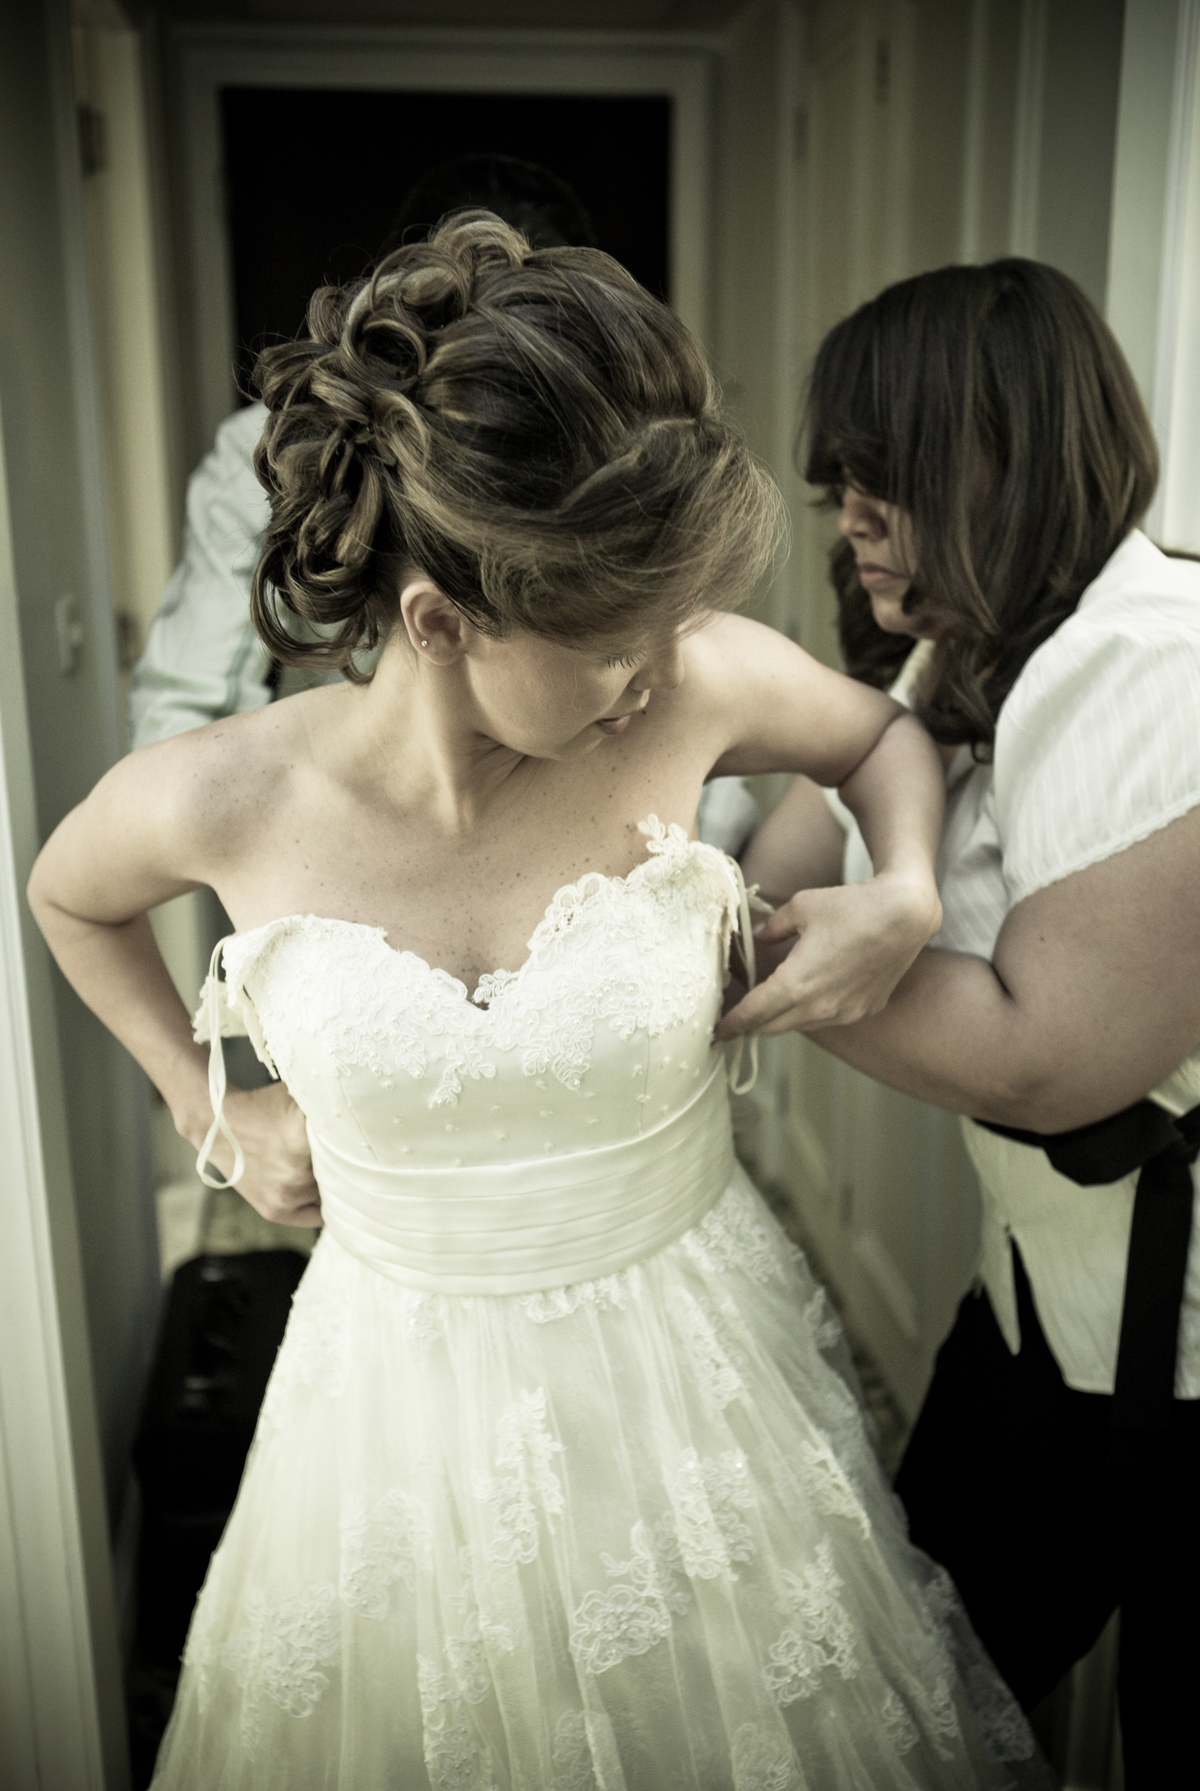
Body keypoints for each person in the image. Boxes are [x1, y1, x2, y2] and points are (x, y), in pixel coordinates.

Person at [29, 215, 1046, 1789]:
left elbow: (882, 741)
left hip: (703, 1389)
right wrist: (204, 1101)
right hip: (389, 1421)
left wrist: (905, 889)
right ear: (440, 623)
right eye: (611, 645)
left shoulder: (697, 678)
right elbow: (65, 896)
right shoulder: (224, 798)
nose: (659, 673)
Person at [722, 257, 1200, 1788]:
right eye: (843, 475)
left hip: (1189, 1369)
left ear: (1016, 451)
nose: (850, 509)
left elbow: (1037, 1054)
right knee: (909, 1710)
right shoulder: (966, 660)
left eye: (892, 470)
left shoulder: (1161, 670)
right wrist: (886, 737)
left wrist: (722, 961)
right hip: (1029, 1330)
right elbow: (770, 878)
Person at [127, 150, 759, 854]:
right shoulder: (280, 454)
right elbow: (187, 707)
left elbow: (672, 665)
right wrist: (292, 866)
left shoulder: (633, 458)